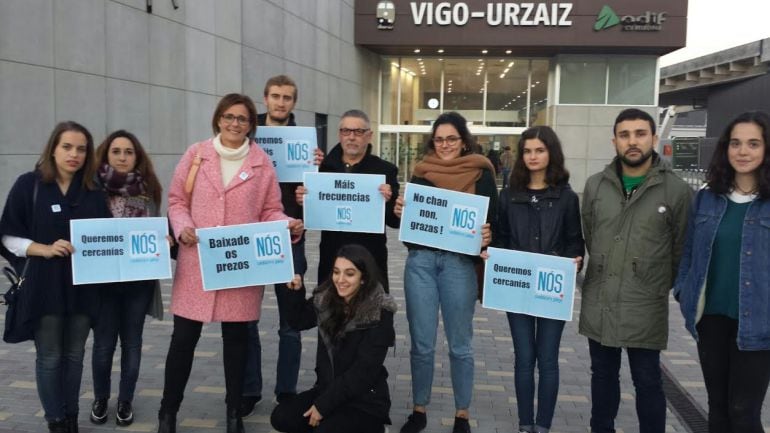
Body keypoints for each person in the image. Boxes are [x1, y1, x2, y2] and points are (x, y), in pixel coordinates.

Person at [158, 93, 304, 433]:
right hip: (197, 262)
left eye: (242, 118)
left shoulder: (260, 162)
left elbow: (270, 209)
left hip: (241, 266)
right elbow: (177, 200)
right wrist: (183, 228)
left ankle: (233, 413)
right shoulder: (197, 155)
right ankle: (168, 412)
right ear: (218, 119)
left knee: (237, 343)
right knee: (182, 341)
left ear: (252, 124)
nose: (235, 124)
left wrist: (286, 225)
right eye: (229, 117)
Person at [580, 108, 692, 433]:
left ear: (654, 139)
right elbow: (591, 235)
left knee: (647, 381)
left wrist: (650, 281)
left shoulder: (676, 191)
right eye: (625, 135)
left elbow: (680, 250)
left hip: (645, 306)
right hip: (600, 302)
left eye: (640, 134)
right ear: (614, 140)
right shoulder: (595, 186)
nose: (633, 142)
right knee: (602, 378)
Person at [0, 121, 112, 433]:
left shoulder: (93, 191)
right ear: (53, 148)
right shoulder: (29, 185)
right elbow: (8, 235)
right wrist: (43, 249)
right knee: (50, 356)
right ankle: (56, 420)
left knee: (75, 355)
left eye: (81, 148)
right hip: (44, 286)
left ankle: (72, 416)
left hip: (83, 287)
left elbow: (108, 239)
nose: (74, 154)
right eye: (67, 147)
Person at [394, 111, 495, 433]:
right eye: (439, 139)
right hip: (421, 262)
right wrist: (398, 212)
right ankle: (419, 408)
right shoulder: (422, 173)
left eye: (451, 138)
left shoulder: (481, 174)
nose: (445, 145)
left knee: (460, 344)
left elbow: (496, 220)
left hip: (459, 264)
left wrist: (489, 235)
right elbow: (408, 228)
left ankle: (461, 413)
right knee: (421, 343)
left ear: (463, 141)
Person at [674, 111, 770, 433]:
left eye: (753, 144)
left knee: (744, 414)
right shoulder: (707, 198)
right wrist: (683, 290)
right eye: (736, 143)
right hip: (711, 320)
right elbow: (689, 253)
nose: (743, 152)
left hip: (759, 324)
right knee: (718, 412)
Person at [241, 74, 323, 415]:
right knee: (245, 317)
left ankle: (286, 391)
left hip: (291, 237)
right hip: (250, 234)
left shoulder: (304, 144)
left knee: (291, 321)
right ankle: (249, 391)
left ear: (294, 102)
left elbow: (319, 203)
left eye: (287, 97)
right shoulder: (246, 134)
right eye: (275, 96)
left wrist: (312, 184)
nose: (280, 102)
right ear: (265, 98)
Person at [495, 126, 584, 433]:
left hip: (550, 289)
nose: (533, 156)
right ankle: (524, 424)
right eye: (527, 151)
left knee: (547, 360)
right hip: (517, 287)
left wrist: (575, 259)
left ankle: (543, 425)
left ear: (551, 154)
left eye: (540, 150)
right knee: (523, 358)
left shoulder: (566, 198)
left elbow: (575, 241)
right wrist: (494, 259)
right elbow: (501, 238)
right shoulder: (508, 196)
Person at [270, 244, 397, 433]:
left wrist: (323, 406)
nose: (340, 280)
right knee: (282, 417)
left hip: (365, 400)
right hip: (328, 388)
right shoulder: (327, 299)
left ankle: (376, 429)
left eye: (349, 274)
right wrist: (294, 292)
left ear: (363, 278)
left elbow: (363, 373)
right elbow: (298, 321)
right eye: (337, 272)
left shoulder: (379, 312)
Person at [88, 130, 165, 427]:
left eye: (128, 152)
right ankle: (100, 399)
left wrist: (164, 239)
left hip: (138, 281)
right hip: (103, 282)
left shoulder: (149, 189)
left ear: (137, 156)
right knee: (103, 344)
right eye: (116, 151)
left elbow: (157, 228)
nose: (122, 157)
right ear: (106, 154)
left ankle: (125, 401)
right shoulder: (92, 189)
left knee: (132, 343)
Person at [297, 109, 399, 290]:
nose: (351, 137)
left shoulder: (385, 171)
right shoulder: (322, 170)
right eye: (346, 131)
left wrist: (389, 200)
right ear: (340, 135)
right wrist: (304, 202)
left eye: (358, 132)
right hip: (333, 258)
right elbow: (310, 217)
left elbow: (394, 221)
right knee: (330, 314)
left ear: (369, 136)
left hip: (370, 259)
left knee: (372, 315)